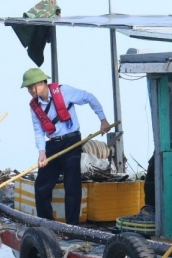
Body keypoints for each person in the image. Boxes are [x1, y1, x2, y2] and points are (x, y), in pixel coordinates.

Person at [22, 68, 111, 225]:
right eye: (28, 88)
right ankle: (48, 224)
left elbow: (89, 98)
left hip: (71, 142)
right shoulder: (34, 106)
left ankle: (72, 226)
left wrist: (103, 119)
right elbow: (38, 131)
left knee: (72, 185)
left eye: (32, 86)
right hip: (53, 145)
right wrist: (42, 152)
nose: (30, 91)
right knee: (41, 185)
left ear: (42, 83)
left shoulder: (64, 91)